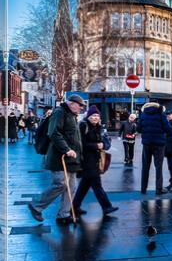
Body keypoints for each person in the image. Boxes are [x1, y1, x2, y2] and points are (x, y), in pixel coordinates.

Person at [27, 95, 86, 225]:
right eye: (79, 105)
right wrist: (66, 149)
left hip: (72, 159)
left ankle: (63, 215)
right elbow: (53, 133)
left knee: (71, 187)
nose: (81, 108)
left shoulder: (73, 116)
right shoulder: (59, 113)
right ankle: (36, 205)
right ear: (71, 103)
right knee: (60, 184)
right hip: (60, 158)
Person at [72, 106, 118, 216]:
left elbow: (105, 141)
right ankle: (106, 206)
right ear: (88, 116)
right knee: (97, 185)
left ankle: (74, 207)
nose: (95, 118)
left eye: (97, 116)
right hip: (86, 160)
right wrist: (96, 145)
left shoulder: (98, 127)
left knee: (84, 186)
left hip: (95, 159)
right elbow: (80, 144)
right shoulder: (83, 126)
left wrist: (103, 145)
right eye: (93, 116)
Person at [137, 101, 171, 195]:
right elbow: (168, 129)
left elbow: (138, 129)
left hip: (147, 144)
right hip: (159, 144)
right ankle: (158, 189)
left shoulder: (143, 115)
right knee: (158, 167)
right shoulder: (161, 115)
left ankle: (143, 189)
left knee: (145, 166)